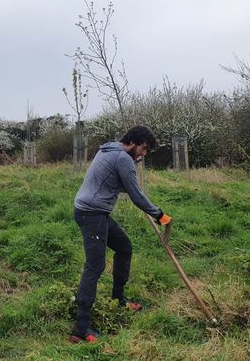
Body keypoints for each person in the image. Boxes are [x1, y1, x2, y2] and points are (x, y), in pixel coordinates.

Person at [70, 125, 172, 344]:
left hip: (94, 211)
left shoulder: (110, 150)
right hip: (92, 213)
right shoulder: (122, 158)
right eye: (143, 148)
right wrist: (159, 214)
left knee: (124, 247)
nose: (144, 154)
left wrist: (132, 183)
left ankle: (118, 299)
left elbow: (119, 182)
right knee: (95, 266)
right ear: (133, 142)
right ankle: (80, 327)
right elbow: (135, 195)